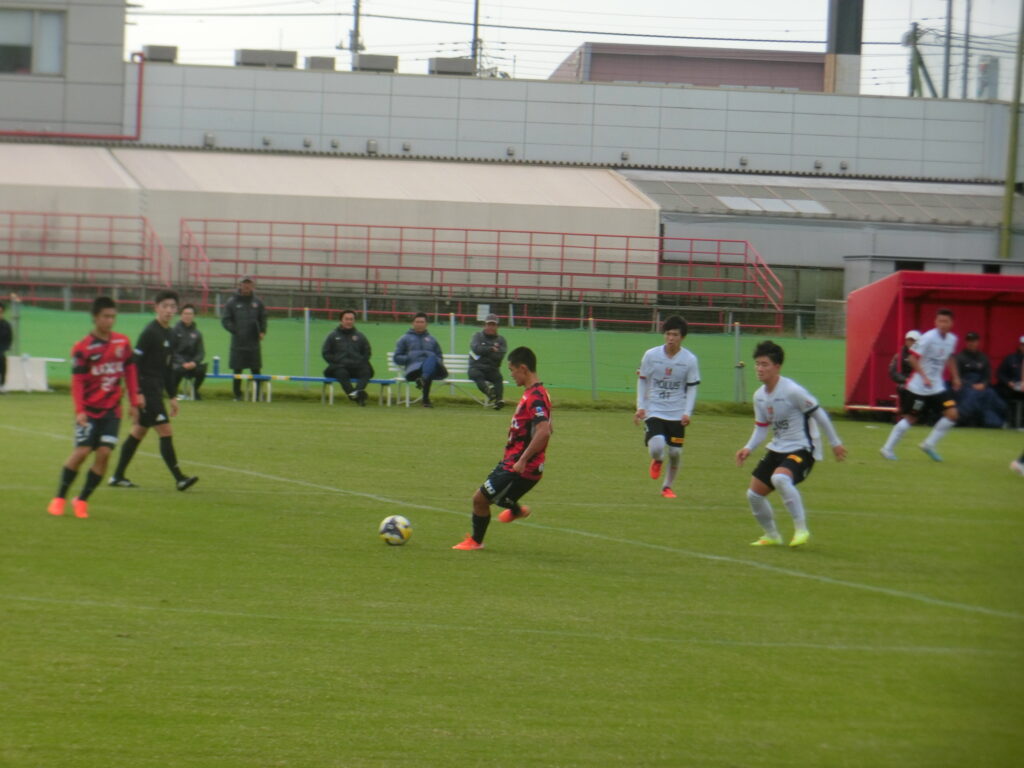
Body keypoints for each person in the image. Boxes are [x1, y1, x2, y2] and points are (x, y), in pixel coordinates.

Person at [735, 341, 846, 547]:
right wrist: (748, 448)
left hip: (802, 449)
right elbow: (761, 427)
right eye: (757, 364)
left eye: (765, 364)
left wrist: (835, 442)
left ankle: (801, 530)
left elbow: (819, 414)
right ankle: (772, 535)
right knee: (754, 495)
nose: (759, 368)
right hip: (777, 448)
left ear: (777, 367)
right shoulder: (759, 396)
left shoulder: (792, 391)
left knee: (780, 478)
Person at [47, 297, 140, 519]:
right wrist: (79, 410)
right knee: (82, 451)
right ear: (95, 318)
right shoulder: (83, 348)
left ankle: (82, 500)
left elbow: (130, 372)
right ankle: (59, 498)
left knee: (104, 453)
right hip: (89, 410)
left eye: (113, 317)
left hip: (112, 410)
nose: (110, 321)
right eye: (106, 316)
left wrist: (134, 402)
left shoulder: (122, 343)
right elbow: (77, 382)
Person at [453, 346, 552, 550]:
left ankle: (476, 542)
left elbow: (544, 431)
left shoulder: (535, 396)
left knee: (480, 499)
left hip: (519, 466)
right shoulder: (535, 393)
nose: (511, 374)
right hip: (515, 461)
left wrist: (523, 460)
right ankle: (515, 509)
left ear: (523, 368)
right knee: (499, 497)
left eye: (512, 370)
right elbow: (546, 427)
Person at [108, 290, 199, 491]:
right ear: (156, 308)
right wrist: (137, 392)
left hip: (156, 390)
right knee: (165, 430)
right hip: (146, 390)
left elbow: (167, 369)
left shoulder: (171, 334)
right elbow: (134, 363)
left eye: (172, 306)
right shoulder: (150, 332)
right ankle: (179, 478)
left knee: (138, 432)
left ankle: (117, 476)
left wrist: (172, 396)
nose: (169, 310)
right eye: (165, 306)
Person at [879, 308, 962, 462]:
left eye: (946, 321)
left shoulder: (952, 339)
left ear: (952, 323)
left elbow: (950, 358)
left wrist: (956, 377)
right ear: (935, 322)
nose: (943, 324)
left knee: (952, 414)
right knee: (911, 418)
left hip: (937, 388)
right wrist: (924, 377)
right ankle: (887, 449)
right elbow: (912, 358)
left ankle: (929, 444)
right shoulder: (928, 337)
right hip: (919, 388)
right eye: (940, 321)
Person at [634, 315, 700, 499]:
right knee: (657, 447)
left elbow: (692, 387)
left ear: (682, 337)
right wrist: (640, 406)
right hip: (654, 409)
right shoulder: (651, 355)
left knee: (675, 452)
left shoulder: (689, 360)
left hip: (677, 412)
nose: (671, 338)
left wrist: (687, 412)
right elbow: (642, 380)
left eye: (675, 335)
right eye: (668, 334)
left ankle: (667, 487)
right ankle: (657, 460)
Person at [221, 277, 267, 401]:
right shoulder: (232, 302)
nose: (247, 286)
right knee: (237, 370)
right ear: (240, 285)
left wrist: (262, 331)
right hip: (238, 342)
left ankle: (257, 395)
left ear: (253, 286)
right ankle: (237, 395)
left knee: (256, 369)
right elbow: (225, 320)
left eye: (249, 284)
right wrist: (235, 330)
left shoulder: (258, 302)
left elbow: (263, 318)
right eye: (244, 283)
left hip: (253, 341)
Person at [393, 312, 447, 408]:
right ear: (412, 323)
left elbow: (439, 356)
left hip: (433, 370)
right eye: (417, 322)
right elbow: (397, 357)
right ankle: (425, 400)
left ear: (426, 324)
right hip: (413, 371)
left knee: (431, 360)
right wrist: (409, 358)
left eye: (422, 322)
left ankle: (423, 379)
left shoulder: (432, 340)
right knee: (428, 372)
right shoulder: (404, 339)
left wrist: (435, 362)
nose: (419, 324)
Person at [322, 309, 374, 406]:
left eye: (351, 319)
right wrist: (336, 362)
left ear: (354, 321)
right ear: (341, 320)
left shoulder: (360, 336)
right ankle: (356, 396)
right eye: (346, 319)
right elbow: (326, 353)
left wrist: (360, 362)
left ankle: (356, 394)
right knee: (341, 373)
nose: (349, 321)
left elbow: (367, 352)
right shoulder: (332, 336)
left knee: (366, 371)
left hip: (356, 367)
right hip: (339, 367)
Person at [955, 331, 1005, 428]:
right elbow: (957, 377)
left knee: (991, 394)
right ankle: (961, 418)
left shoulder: (983, 358)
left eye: (974, 341)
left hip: (982, 386)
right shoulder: (959, 357)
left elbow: (987, 376)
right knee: (971, 395)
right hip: (965, 387)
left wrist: (983, 384)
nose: (972, 343)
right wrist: (970, 385)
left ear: (978, 342)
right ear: (966, 342)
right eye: (969, 341)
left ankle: (995, 420)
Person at [468, 313, 508, 409]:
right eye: (489, 324)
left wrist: (484, 352)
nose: (491, 327)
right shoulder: (477, 336)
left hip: (492, 368)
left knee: (498, 378)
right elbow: (476, 349)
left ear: (497, 326)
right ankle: (490, 393)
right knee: (476, 374)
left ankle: (499, 400)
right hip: (476, 367)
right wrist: (491, 349)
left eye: (493, 325)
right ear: (484, 325)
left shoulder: (501, 340)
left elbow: (499, 356)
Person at [172, 303, 207, 400]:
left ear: (193, 316)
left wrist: (194, 362)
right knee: (177, 370)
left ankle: (194, 391)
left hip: (191, 363)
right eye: (185, 314)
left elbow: (201, 352)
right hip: (178, 362)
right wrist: (182, 363)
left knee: (202, 369)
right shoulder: (174, 331)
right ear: (181, 315)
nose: (187, 316)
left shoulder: (197, 333)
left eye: (190, 314)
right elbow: (172, 351)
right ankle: (173, 392)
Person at [889, 329, 920, 415]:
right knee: (902, 387)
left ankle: (917, 411)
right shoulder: (899, 355)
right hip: (907, 381)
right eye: (909, 340)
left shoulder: (924, 354)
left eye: (913, 340)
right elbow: (892, 372)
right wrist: (906, 380)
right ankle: (905, 411)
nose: (911, 342)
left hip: (921, 380)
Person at [996, 336, 1024, 426]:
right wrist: (1008, 382)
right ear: (1020, 346)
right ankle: (1008, 420)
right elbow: (1000, 374)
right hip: (1011, 388)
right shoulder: (1010, 359)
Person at [0, 300, 11, 392]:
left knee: (2, 364)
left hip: (1, 349)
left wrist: (5, 348)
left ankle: (2, 385)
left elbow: (9, 337)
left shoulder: (5, 324)